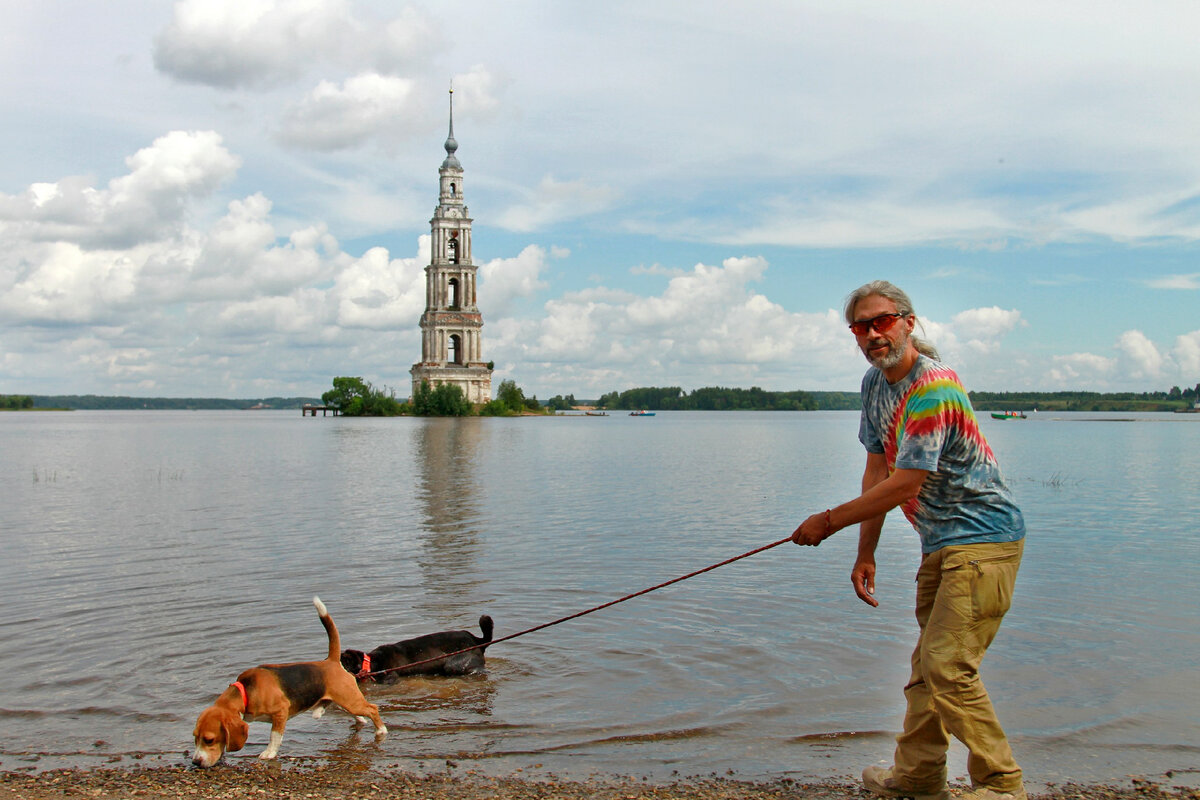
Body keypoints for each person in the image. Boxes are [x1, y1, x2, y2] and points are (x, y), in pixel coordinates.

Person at [792, 280, 1027, 800]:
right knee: (927, 670)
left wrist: (826, 522)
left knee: (948, 666)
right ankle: (919, 779)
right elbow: (877, 470)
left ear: (908, 322)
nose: (874, 334)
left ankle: (1003, 785)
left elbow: (906, 482)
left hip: (984, 540)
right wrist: (864, 551)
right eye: (861, 326)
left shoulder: (934, 386)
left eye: (882, 321)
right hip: (938, 543)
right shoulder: (875, 386)